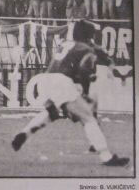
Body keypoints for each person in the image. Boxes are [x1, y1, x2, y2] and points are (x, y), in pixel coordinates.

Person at [11, 20, 129, 167]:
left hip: (47, 79)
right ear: (88, 36)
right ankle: (107, 157)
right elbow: (85, 69)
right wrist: (84, 90)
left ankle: (24, 133)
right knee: (88, 118)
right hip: (62, 81)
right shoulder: (86, 48)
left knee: (52, 114)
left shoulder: (66, 44)